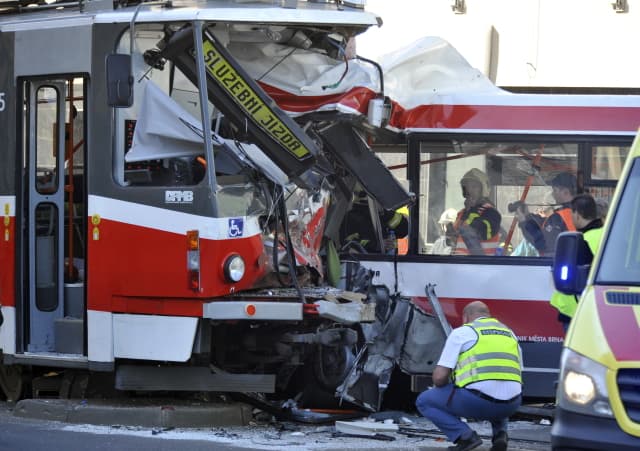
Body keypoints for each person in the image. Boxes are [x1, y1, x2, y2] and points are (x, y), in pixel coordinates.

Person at [416, 301, 522, 451]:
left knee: (424, 400)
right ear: (488, 315)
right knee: (501, 384)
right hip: (511, 405)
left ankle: (465, 437)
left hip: (478, 403)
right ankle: (500, 435)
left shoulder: (462, 332)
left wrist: (450, 384)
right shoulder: (510, 333)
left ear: (466, 317)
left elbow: (439, 378)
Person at [550, 193, 604, 331]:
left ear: (578, 215)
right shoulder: (607, 236)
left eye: (572, 214)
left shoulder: (580, 241)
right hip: (596, 310)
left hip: (576, 311)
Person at [515, 172, 577, 256]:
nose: (552, 194)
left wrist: (523, 222)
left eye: (555, 190)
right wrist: (528, 216)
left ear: (566, 192)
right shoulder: (578, 211)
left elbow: (542, 243)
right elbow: (544, 224)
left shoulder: (560, 217)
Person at [452, 169, 502, 255]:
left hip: (480, 266)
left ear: (483, 189)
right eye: (467, 187)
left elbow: (477, 232)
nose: (469, 191)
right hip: (460, 265)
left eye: (474, 187)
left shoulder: (491, 213)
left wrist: (470, 211)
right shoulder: (462, 213)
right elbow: (455, 240)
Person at [341, 191, 408, 254]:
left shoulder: (383, 214)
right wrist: (377, 245)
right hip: (366, 261)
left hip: (386, 260)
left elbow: (405, 230)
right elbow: (349, 243)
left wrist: (387, 215)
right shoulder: (351, 218)